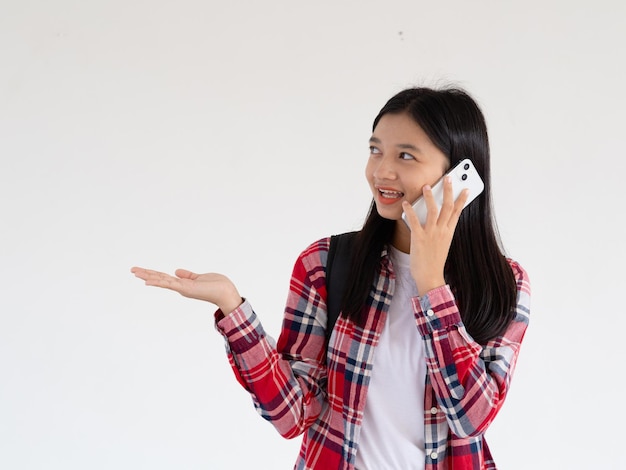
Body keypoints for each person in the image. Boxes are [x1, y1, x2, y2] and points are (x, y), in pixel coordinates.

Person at [131, 86, 531, 470]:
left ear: (458, 174)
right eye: (375, 151)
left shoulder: (504, 284)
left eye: (406, 156)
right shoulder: (325, 263)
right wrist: (232, 308)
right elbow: (291, 415)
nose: (382, 171)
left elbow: (471, 419)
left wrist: (431, 285)